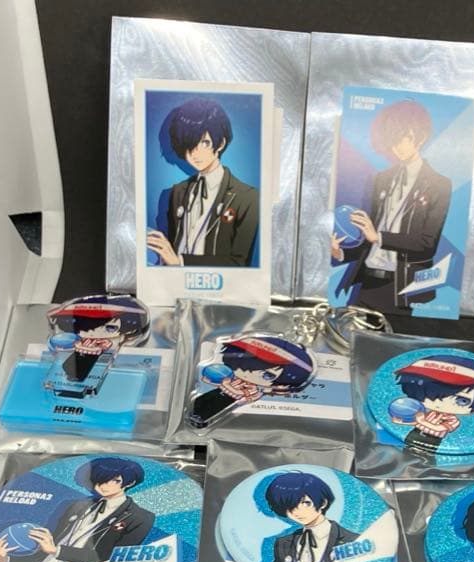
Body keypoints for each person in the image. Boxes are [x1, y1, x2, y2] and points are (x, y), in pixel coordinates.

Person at [0, 457, 155, 562]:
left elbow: (111, 558)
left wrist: (57, 550)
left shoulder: (140, 517)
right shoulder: (76, 506)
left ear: (130, 483)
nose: (104, 485)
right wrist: (6, 560)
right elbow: (48, 548)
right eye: (99, 479)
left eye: (115, 480)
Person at [331, 99, 452, 314]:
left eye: (404, 138)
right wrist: (340, 252)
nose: (397, 147)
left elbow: (427, 243)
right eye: (393, 140)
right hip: (367, 280)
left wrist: (378, 237)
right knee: (350, 331)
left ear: (421, 137)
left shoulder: (439, 185)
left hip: (401, 286)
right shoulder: (382, 179)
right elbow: (371, 235)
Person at [147, 97, 258, 267]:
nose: (195, 152)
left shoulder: (247, 197)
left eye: (205, 143)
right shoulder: (175, 193)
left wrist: (180, 262)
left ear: (220, 143)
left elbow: (239, 262)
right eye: (188, 144)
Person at [263, 471, 380, 562]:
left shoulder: (356, 541)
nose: (297, 511)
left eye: (306, 503)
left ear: (323, 502)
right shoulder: (283, 544)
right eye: (289, 506)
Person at [390, 352, 474, 454]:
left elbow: (440, 428)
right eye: (429, 393)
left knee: (424, 458)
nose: (439, 402)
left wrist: (422, 421)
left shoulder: (452, 420)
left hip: (431, 441)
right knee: (406, 453)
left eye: (462, 400)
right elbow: (418, 423)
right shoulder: (430, 413)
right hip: (413, 434)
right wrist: (402, 422)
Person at [187, 336, 315, 429]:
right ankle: (191, 414)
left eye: (267, 375)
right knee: (200, 402)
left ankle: (200, 420)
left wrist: (225, 385)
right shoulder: (235, 378)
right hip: (217, 392)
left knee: (212, 410)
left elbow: (239, 394)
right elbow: (224, 384)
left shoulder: (256, 390)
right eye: (239, 363)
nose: (248, 373)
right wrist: (210, 381)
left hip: (228, 401)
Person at [45, 295, 150, 390]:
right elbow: (57, 345)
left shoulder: (121, 347)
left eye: (110, 328)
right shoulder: (72, 342)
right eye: (85, 327)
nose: (93, 333)